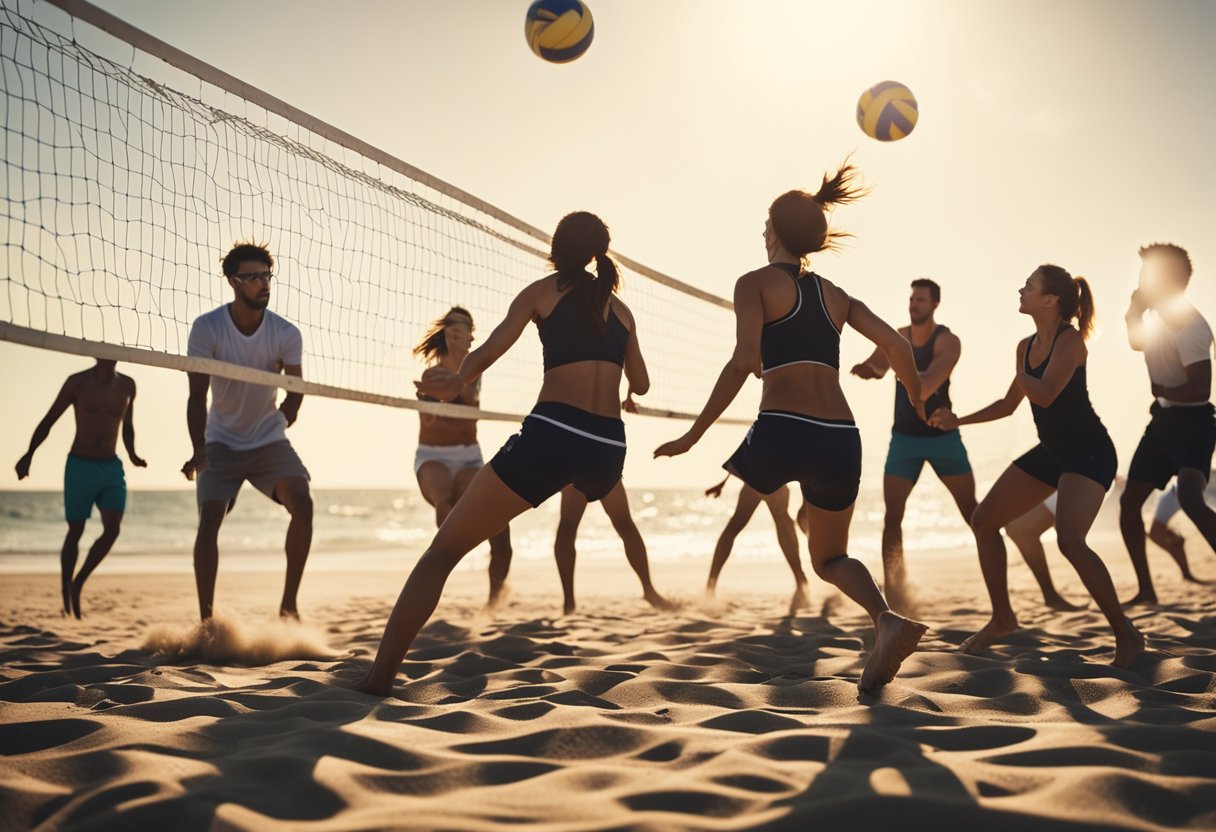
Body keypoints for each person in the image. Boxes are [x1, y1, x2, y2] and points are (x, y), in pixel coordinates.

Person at [655, 163, 929, 693]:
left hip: (782, 427)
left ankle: (725, 574)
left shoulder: (753, 283)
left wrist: (692, 436)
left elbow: (742, 363)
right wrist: (917, 396)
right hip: (839, 436)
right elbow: (897, 347)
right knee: (831, 556)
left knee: (746, 513)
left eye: (765, 224)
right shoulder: (837, 295)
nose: (761, 231)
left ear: (776, 232)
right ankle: (885, 618)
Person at [359, 211, 649, 696]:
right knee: (601, 522)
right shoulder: (621, 311)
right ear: (600, 251)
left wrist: (458, 381)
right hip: (608, 447)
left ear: (556, 250)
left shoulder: (543, 291)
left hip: (555, 432)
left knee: (441, 553)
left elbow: (492, 347)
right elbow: (640, 383)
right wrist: (620, 380)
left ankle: (378, 679)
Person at [930, 265, 1143, 668]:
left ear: (1050, 300)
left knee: (1070, 540)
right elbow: (1009, 405)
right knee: (984, 519)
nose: (1021, 290)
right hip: (1052, 450)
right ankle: (1002, 617)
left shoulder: (1071, 341)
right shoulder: (1025, 346)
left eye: (1028, 286)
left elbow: (1042, 395)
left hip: (1089, 451)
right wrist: (957, 420)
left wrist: (1019, 372)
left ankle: (1126, 634)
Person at [182, 242, 313, 621]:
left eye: (267, 276)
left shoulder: (286, 333)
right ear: (234, 281)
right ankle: (207, 619)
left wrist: (280, 422)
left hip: (268, 440)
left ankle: (288, 608)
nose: (263, 283)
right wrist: (199, 447)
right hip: (220, 440)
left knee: (303, 504)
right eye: (254, 277)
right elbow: (196, 395)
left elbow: (296, 391)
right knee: (210, 518)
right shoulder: (207, 328)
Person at [850, 278, 975, 611]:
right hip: (904, 438)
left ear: (935, 304)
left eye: (920, 300)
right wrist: (870, 368)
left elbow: (926, 384)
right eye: (911, 299)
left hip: (942, 437)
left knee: (974, 513)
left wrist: (892, 365)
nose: (913, 304)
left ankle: (1000, 573)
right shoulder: (898, 336)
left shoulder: (948, 341)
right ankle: (895, 589)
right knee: (893, 517)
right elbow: (878, 364)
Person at [1119, 243, 1216, 605]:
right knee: (1130, 504)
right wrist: (1133, 313)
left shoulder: (1192, 325)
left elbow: (1199, 389)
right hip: (1162, 423)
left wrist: (1162, 388)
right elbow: (1136, 343)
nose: (1142, 280)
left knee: (1191, 498)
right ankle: (1146, 590)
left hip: (1194, 422)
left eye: (1149, 274)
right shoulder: (1159, 319)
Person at [15, 359, 145, 617]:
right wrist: (29, 454)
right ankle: (66, 596)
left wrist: (132, 454)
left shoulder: (128, 385)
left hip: (110, 467)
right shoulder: (78, 382)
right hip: (80, 465)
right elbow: (49, 419)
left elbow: (127, 426)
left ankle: (79, 583)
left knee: (113, 529)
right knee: (76, 530)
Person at [412, 307, 513, 608]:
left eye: (466, 328)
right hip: (433, 455)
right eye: (455, 327)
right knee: (445, 498)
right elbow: (430, 423)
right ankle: (446, 558)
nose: (462, 332)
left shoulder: (474, 372)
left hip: (469, 456)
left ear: (470, 336)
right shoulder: (432, 374)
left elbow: (468, 416)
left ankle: (495, 599)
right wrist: (437, 397)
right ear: (446, 333)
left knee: (499, 525)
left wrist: (457, 390)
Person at [553, 479, 676, 615]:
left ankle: (649, 591)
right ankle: (569, 603)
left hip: (600, 465)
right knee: (568, 526)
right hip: (581, 465)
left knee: (623, 523)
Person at [704, 473, 811, 616]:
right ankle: (710, 587)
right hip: (757, 478)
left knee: (780, 521)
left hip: (768, 477)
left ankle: (801, 581)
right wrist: (724, 482)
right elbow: (748, 451)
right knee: (739, 526)